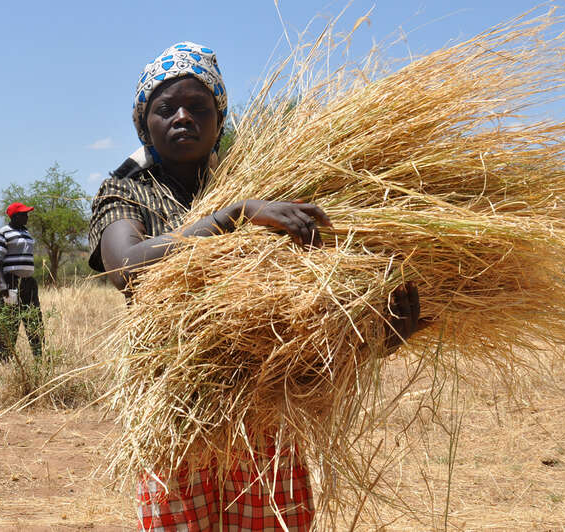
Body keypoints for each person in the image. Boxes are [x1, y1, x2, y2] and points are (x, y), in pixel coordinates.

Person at [89, 42, 422, 531]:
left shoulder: (266, 179)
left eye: (198, 108)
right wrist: (237, 215)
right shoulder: (127, 191)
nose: (183, 117)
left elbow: (306, 311)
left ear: (220, 120)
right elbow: (131, 268)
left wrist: (377, 337)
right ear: (144, 124)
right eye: (166, 109)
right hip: (178, 415)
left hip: (266, 412)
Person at [0, 202, 43, 362]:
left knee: (34, 319)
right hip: (11, 282)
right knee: (10, 321)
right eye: (24, 214)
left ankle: (39, 358)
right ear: (15, 216)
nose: (27, 217)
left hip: (28, 283)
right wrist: (2, 282)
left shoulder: (26, 232)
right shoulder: (4, 232)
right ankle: (4, 359)